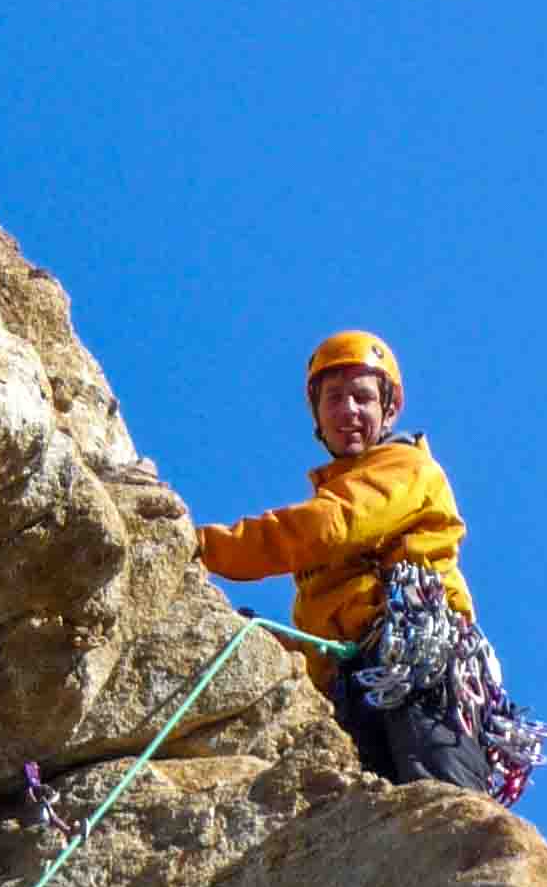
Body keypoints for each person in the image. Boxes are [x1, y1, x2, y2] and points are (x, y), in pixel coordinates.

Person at [191, 330, 493, 791]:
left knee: (439, 799)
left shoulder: (407, 468)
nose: (347, 410)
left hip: (417, 662)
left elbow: (326, 527)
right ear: (317, 414)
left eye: (362, 398)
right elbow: (326, 632)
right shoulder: (336, 532)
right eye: (334, 398)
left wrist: (201, 547)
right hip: (359, 681)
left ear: (389, 409)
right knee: (382, 811)